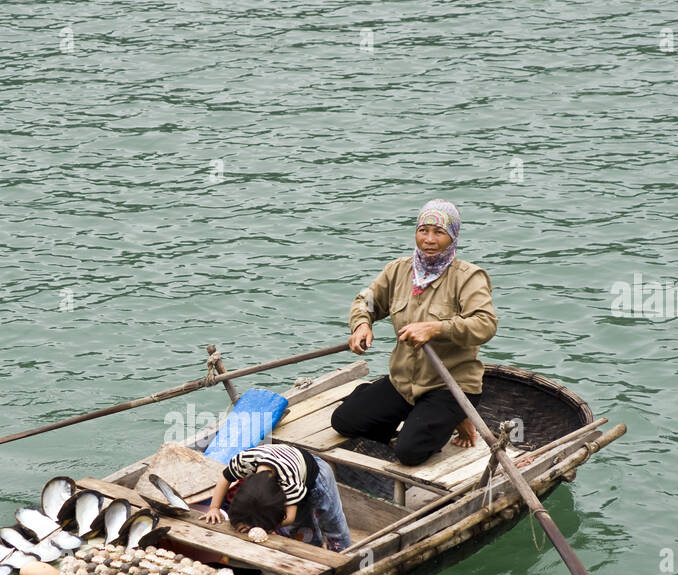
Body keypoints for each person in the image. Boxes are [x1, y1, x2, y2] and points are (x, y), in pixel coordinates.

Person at [330, 199, 498, 466]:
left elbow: (486, 324)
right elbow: (366, 301)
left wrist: (437, 328)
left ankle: (459, 415)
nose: (429, 239)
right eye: (423, 230)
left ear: (452, 236)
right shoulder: (398, 270)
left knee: (409, 453)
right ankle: (410, 414)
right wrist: (362, 323)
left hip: (449, 386)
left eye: (438, 232)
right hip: (403, 382)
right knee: (342, 422)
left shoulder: (468, 277)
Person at [200, 442, 351, 552]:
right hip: (286, 464)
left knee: (331, 520)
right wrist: (214, 508)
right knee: (302, 527)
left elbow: (290, 517)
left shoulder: (289, 481)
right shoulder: (245, 461)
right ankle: (311, 552)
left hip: (317, 477)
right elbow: (225, 478)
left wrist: (265, 527)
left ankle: (342, 552)